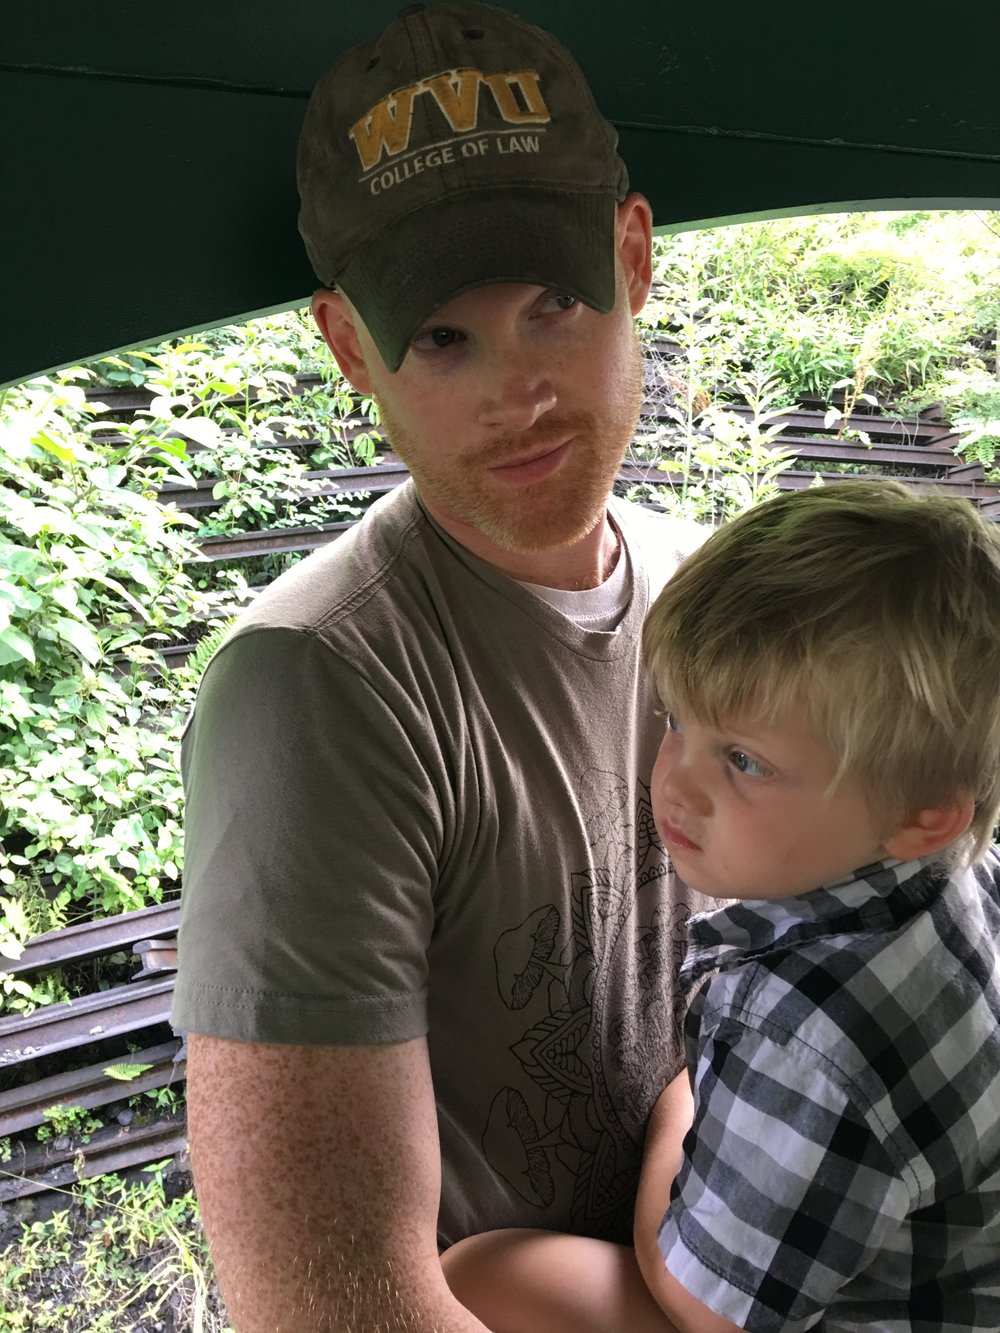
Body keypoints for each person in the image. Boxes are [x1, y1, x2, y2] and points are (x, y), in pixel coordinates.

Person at [170, 4, 715, 1329]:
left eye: (552, 304)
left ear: (632, 259)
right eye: (442, 339)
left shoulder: (716, 603)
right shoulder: (322, 686)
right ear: (351, 348)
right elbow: (332, 1307)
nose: (513, 392)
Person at [441, 478, 1000, 1332]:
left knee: (487, 1275)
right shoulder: (956, 876)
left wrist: (675, 1105)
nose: (675, 780)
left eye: (744, 760)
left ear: (923, 815)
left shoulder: (806, 1036)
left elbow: (707, 1306)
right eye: (676, 719)